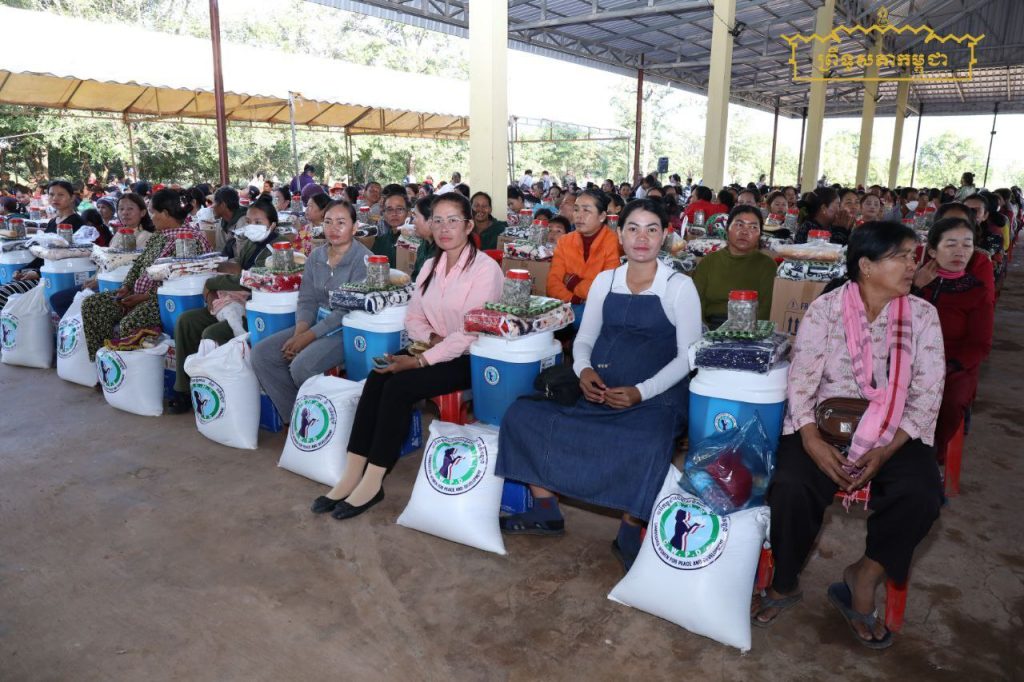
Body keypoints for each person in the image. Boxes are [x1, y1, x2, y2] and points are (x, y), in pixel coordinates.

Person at [754, 221, 944, 649]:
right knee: (791, 484)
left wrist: (886, 450)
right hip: (825, 424)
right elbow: (801, 382)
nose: (912, 265)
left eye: (912, 256)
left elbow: (927, 393)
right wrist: (811, 440)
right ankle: (785, 580)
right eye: (902, 256)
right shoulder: (826, 309)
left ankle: (864, 576)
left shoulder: (923, 316)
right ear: (866, 266)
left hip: (894, 431)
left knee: (921, 494)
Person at [495, 198, 702, 571]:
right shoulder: (606, 281)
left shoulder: (679, 287)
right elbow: (586, 338)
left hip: (656, 395)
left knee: (647, 441)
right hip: (599, 387)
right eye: (633, 229)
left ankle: (629, 529)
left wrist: (642, 391)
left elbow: (688, 356)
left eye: (652, 229)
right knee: (522, 415)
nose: (642, 238)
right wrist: (584, 371)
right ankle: (546, 508)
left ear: (665, 236)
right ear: (620, 235)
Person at [309, 193, 503, 520]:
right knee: (378, 375)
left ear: (469, 226)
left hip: (471, 357)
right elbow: (413, 317)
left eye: (453, 220)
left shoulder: (485, 270)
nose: (444, 228)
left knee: (399, 387)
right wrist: (430, 341)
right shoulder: (429, 266)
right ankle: (352, 473)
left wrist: (420, 360)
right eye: (437, 220)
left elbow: (471, 332)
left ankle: (374, 480)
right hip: (430, 345)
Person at [252, 201, 371, 419]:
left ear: (354, 227)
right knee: (262, 354)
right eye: (328, 222)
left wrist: (306, 338)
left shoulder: (364, 261)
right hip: (315, 323)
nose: (333, 228)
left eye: (341, 223)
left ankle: (326, 420)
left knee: (301, 366)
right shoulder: (316, 256)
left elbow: (344, 312)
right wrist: (299, 333)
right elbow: (307, 300)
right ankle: (295, 417)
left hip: (347, 330)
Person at [168, 200, 289, 411]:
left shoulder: (278, 249)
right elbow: (239, 269)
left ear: (272, 225)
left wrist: (213, 282)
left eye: (258, 222)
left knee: (212, 333)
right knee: (186, 321)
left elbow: (252, 280)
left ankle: (219, 396)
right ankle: (184, 389)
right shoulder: (251, 242)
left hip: (254, 310)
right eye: (248, 221)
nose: (252, 226)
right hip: (233, 301)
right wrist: (216, 271)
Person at [81, 189, 211, 360]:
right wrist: (126, 286)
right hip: (137, 295)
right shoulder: (159, 236)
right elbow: (139, 264)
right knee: (92, 304)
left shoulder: (189, 239)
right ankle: (102, 361)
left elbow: (180, 280)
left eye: (152, 212)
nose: (151, 217)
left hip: (163, 299)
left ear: (165, 213)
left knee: (130, 323)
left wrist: (144, 297)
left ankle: (128, 369)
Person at [911, 217, 993, 464]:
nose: (960, 252)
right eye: (951, 244)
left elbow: (980, 344)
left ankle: (932, 456)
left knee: (951, 400)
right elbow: (896, 319)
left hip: (954, 365)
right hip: (910, 356)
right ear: (932, 250)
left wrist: (950, 366)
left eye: (967, 245)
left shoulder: (976, 291)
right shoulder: (913, 280)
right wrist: (915, 288)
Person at [691, 205, 777, 327]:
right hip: (712, 327)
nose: (745, 232)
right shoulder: (709, 261)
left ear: (759, 235)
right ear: (727, 229)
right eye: (739, 225)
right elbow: (695, 302)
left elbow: (766, 309)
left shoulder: (768, 266)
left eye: (753, 227)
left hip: (750, 329)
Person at [547, 189, 621, 314]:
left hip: (599, 311)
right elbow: (552, 284)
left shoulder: (613, 242)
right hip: (567, 307)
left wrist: (571, 281)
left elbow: (605, 289)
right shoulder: (565, 241)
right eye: (576, 209)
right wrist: (576, 299)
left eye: (586, 210)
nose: (579, 216)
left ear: (602, 216)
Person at [368, 185, 411, 267]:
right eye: (389, 209)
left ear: (408, 213)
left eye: (399, 209)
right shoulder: (380, 241)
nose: (394, 213)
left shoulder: (416, 241)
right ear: (383, 214)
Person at [211, 187, 246, 252]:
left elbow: (242, 255)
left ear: (223, 205)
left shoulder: (244, 222)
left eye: (214, 202)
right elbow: (220, 251)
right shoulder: (221, 223)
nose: (212, 206)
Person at [410, 196, 434, 279]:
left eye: (415, 216)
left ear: (430, 221)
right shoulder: (424, 244)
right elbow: (415, 276)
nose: (413, 221)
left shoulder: (444, 252)